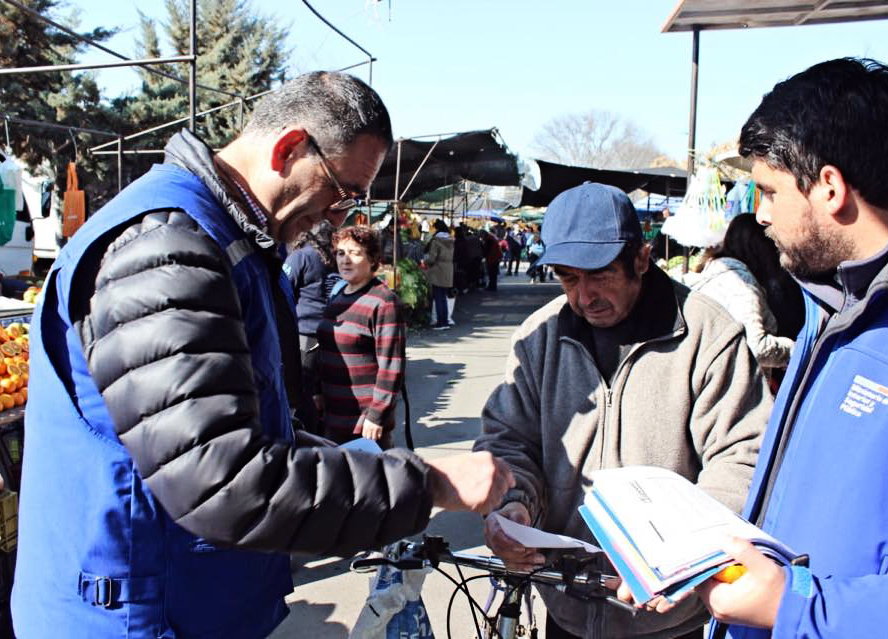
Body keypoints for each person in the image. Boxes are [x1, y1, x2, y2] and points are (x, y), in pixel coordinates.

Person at [12, 71, 514, 638]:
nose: (338, 220)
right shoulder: (163, 248)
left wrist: (360, 461)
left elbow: (240, 428)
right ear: (289, 148)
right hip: (134, 612)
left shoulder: (228, 241)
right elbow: (220, 481)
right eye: (340, 193)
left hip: (191, 602)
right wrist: (427, 484)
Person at [474, 182, 773, 639]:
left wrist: (677, 555)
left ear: (641, 258)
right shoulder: (540, 337)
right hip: (566, 604)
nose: (584, 296)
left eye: (600, 275)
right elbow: (508, 441)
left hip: (669, 615)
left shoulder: (708, 336)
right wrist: (512, 506)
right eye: (568, 277)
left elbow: (741, 457)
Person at [682, 57, 888, 639]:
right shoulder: (827, 310)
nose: (760, 213)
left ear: (830, 187)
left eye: (769, 190)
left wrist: (796, 607)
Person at [317, 225, 405, 446]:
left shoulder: (383, 301)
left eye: (355, 253)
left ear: (373, 259)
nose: (345, 260)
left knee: (370, 480)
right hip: (332, 416)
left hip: (364, 424)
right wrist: (317, 392)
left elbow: (391, 365)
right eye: (340, 253)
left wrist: (377, 415)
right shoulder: (338, 295)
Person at [687, 214, 801, 375]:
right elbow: (756, 347)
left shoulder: (717, 274)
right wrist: (795, 350)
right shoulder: (741, 284)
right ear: (762, 247)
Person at [283, 219, 341, 434]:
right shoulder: (335, 258)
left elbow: (283, 287)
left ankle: (308, 434)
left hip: (305, 335)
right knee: (320, 388)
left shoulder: (302, 256)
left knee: (302, 389)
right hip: (330, 331)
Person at [424, 218, 454, 329]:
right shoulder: (450, 240)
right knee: (443, 298)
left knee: (438, 298)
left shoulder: (436, 241)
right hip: (448, 270)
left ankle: (440, 323)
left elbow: (432, 258)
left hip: (438, 270)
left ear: (436, 228)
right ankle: (445, 322)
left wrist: (425, 261)